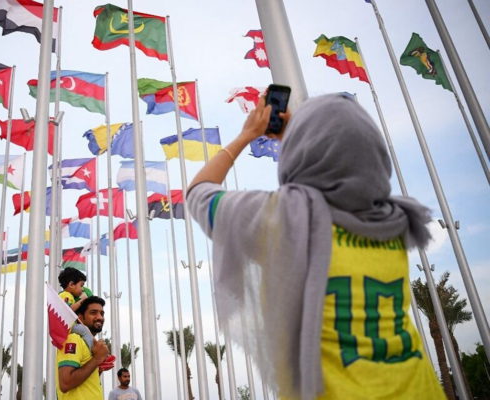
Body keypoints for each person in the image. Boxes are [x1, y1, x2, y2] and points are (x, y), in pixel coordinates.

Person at [187, 93, 445, 399]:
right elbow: (344, 171)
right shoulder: (395, 220)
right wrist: (299, 137)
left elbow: (199, 192)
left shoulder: (284, 220)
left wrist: (247, 136)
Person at [57, 295, 111, 400]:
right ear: (80, 318)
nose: (100, 317)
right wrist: (97, 359)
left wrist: (98, 369)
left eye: (102, 313)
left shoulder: (88, 345)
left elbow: (84, 385)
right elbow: (65, 383)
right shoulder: (73, 339)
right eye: (93, 312)